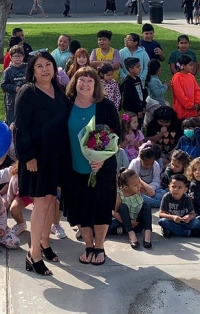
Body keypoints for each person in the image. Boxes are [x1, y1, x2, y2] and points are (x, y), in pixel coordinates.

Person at [13, 51, 69, 275]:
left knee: (51, 201)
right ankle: (33, 253)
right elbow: (21, 127)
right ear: (32, 71)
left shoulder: (58, 90)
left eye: (49, 64)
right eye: (39, 66)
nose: (45, 69)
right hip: (36, 158)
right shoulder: (28, 92)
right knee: (41, 204)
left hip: (57, 156)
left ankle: (45, 242)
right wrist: (28, 156)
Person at [64, 66, 121, 267]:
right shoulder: (66, 104)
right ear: (75, 83)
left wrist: (103, 158)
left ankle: (100, 246)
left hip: (101, 168)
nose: (85, 84)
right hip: (74, 167)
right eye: (82, 80)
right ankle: (88, 245)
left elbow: (117, 134)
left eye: (90, 80)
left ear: (96, 84)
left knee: (100, 207)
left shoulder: (106, 106)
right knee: (80, 208)